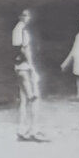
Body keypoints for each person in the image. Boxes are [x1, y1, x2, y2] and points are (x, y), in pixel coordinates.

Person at [13, 8, 48, 142]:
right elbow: (26, 50)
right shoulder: (24, 31)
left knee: (24, 100)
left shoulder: (16, 30)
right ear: (23, 17)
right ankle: (34, 130)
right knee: (34, 98)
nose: (29, 18)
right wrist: (34, 69)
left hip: (18, 67)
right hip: (26, 68)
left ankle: (21, 130)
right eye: (27, 16)